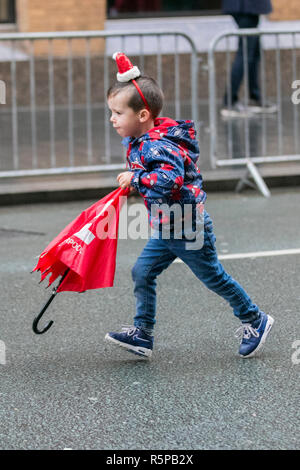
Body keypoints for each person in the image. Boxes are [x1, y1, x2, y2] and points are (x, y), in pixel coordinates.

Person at [104, 52, 274, 359]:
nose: (112, 118)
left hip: (187, 226)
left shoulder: (158, 144)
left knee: (214, 278)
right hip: (166, 225)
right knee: (142, 271)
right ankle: (142, 333)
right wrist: (136, 185)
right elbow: (157, 181)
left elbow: (170, 180)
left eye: (117, 112)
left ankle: (255, 319)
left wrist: (137, 179)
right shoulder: (143, 141)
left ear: (142, 115)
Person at [221, 0, 277, 117]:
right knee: (245, 53)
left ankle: (254, 97)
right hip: (245, 7)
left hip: (247, 7)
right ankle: (230, 101)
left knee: (253, 53)